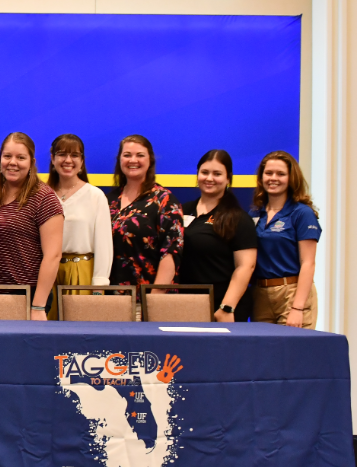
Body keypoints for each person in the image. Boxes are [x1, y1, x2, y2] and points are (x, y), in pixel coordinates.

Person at [0, 132, 64, 319]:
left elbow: (53, 255)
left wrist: (38, 306)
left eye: (21, 157)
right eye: (7, 156)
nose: (13, 162)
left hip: (29, 296)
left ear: (32, 162)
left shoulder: (45, 198)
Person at [108, 134, 183, 317]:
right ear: (119, 160)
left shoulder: (164, 200)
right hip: (111, 301)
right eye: (127, 155)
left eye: (140, 155)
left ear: (150, 160)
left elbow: (171, 252)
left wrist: (153, 298)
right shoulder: (109, 201)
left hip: (149, 302)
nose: (133, 160)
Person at [180, 150, 257, 322]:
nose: (209, 178)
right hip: (186, 304)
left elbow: (246, 266)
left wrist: (227, 307)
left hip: (222, 308)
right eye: (204, 172)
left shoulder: (238, 218)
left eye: (217, 174)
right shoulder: (182, 211)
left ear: (228, 178)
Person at [250, 151, 320, 329]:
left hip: (292, 291)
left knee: (294, 354)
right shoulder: (255, 213)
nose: (273, 178)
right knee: (263, 354)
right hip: (260, 294)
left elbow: (308, 263)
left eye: (281, 174)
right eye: (268, 173)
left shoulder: (302, 213)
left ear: (291, 178)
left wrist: (298, 307)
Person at [45, 134, 111, 320]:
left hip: (82, 272)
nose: (68, 160)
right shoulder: (42, 194)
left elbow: (104, 245)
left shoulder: (95, 195)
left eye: (75, 155)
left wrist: (99, 287)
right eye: (62, 154)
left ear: (82, 161)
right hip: (48, 273)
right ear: (52, 159)